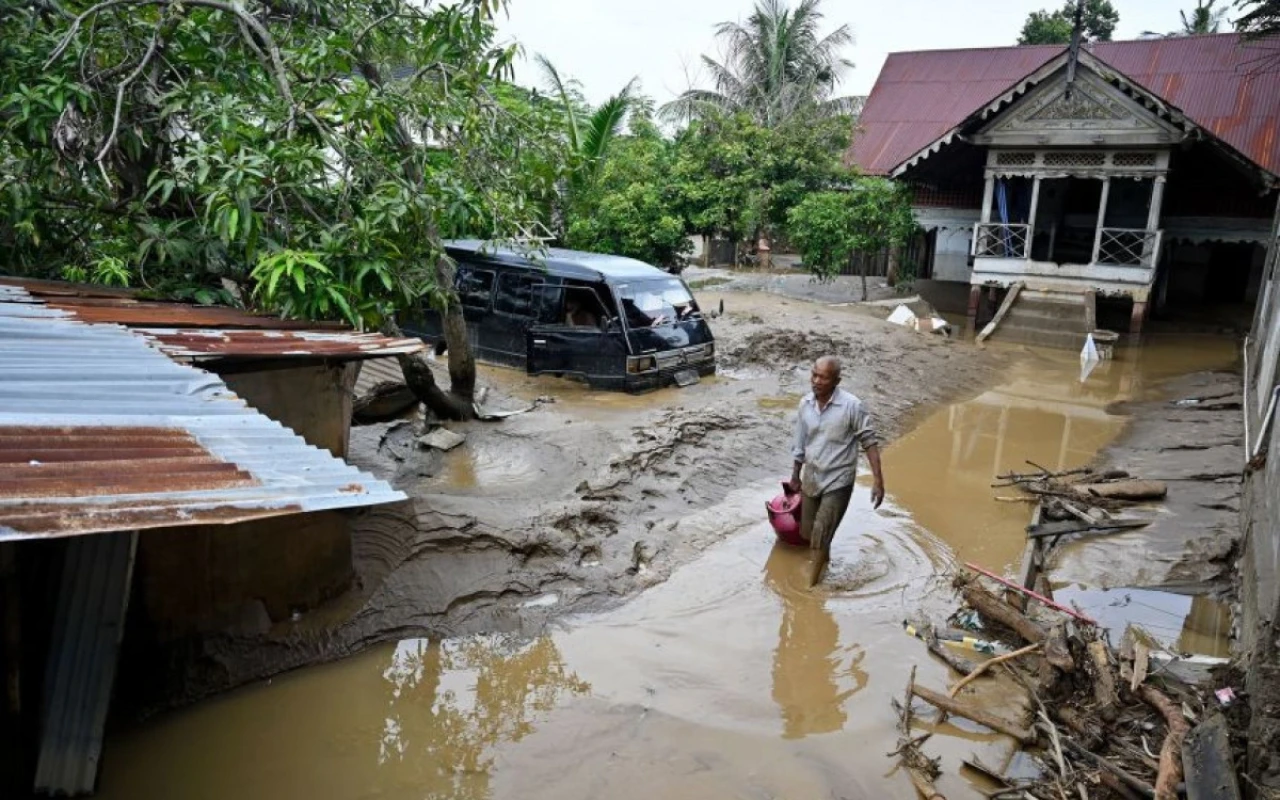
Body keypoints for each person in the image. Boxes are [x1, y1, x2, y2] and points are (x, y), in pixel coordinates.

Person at [788, 355, 885, 586]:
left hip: (838, 480)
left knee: (820, 535)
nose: (817, 381)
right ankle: (825, 566)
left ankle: (810, 588)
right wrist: (795, 475)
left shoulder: (852, 406)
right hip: (812, 476)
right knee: (809, 533)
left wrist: (878, 481)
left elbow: (869, 442)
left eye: (824, 377)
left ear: (836, 381)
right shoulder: (806, 404)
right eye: (814, 374)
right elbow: (800, 443)